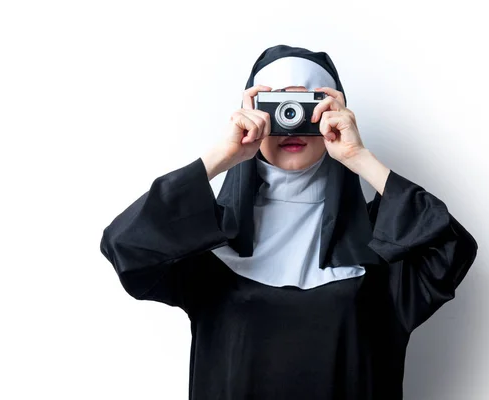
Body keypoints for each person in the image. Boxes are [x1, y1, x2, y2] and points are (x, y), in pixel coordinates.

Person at [99, 44, 478, 400]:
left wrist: (358, 156)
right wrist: (223, 156)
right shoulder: (210, 242)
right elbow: (126, 245)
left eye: (308, 104)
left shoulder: (383, 244)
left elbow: (453, 248)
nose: (291, 121)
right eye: (276, 104)